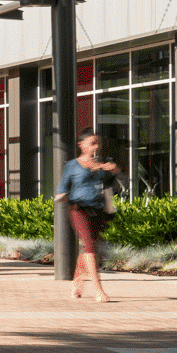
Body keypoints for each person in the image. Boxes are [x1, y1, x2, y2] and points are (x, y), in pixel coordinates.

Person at [56, 127, 121, 303]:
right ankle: (99, 290)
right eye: (92, 143)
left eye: (97, 143)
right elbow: (62, 190)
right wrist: (61, 197)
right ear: (81, 145)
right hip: (78, 210)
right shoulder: (72, 165)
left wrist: (112, 171)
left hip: (98, 210)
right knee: (90, 246)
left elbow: (110, 185)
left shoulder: (101, 165)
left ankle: (76, 284)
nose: (95, 147)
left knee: (88, 248)